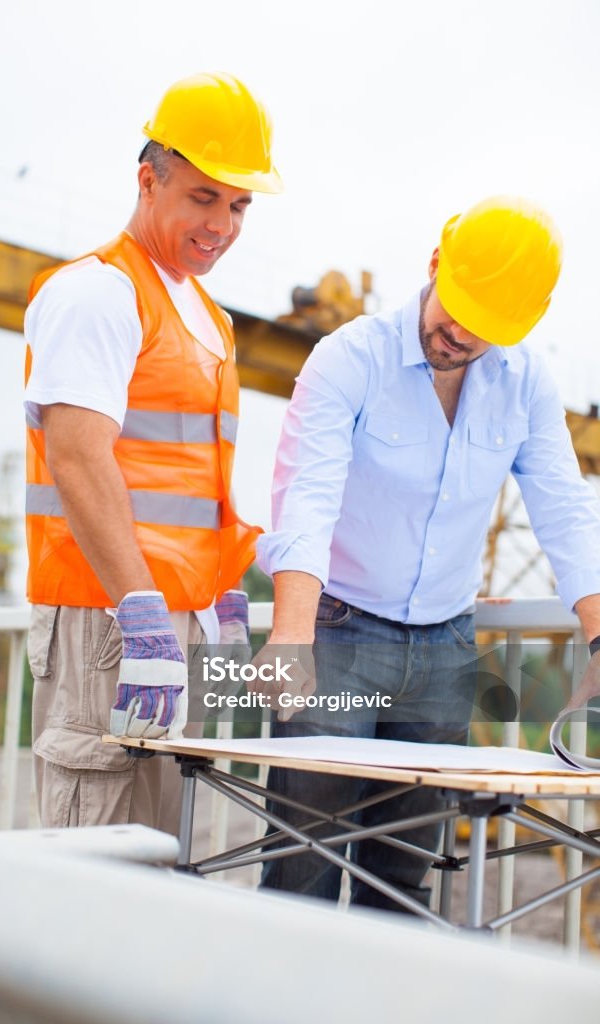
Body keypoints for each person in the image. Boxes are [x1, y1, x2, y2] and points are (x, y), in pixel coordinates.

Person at [252, 195, 600, 913]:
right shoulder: (349, 358)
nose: (463, 334)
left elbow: (566, 510)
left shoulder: (526, 382)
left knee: (406, 878)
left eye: (488, 326)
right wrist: (289, 636)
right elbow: (306, 499)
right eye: (458, 308)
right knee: (301, 864)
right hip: (335, 636)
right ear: (436, 263)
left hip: (446, 651)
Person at [24, 72, 282, 831]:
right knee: (97, 857)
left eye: (239, 205)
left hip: (179, 622)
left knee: (159, 855)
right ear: (149, 179)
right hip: (111, 614)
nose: (223, 225)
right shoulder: (97, 292)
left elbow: (193, 475)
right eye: (204, 197)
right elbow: (76, 457)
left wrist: (222, 592)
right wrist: (141, 612)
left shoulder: (209, 316)